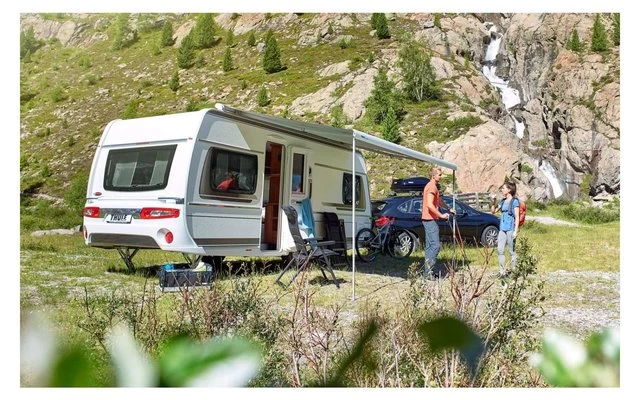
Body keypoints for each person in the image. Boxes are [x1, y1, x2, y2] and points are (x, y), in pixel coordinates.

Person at [421, 167, 454, 277]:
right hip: (430, 219)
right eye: (439, 175)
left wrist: (448, 208)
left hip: (428, 219)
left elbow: (438, 201)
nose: (441, 177)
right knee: (435, 246)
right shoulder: (431, 187)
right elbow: (430, 205)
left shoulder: (433, 186)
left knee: (430, 246)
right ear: (433, 175)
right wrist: (441, 215)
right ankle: (428, 272)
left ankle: (427, 272)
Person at [491, 181, 520, 277]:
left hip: (510, 229)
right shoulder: (502, 201)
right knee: (500, 250)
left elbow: (517, 217)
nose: (502, 190)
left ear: (509, 190)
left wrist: (516, 231)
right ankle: (502, 272)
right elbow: (493, 211)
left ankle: (514, 272)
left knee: (511, 251)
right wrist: (493, 201)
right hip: (502, 229)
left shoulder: (515, 201)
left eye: (503, 188)